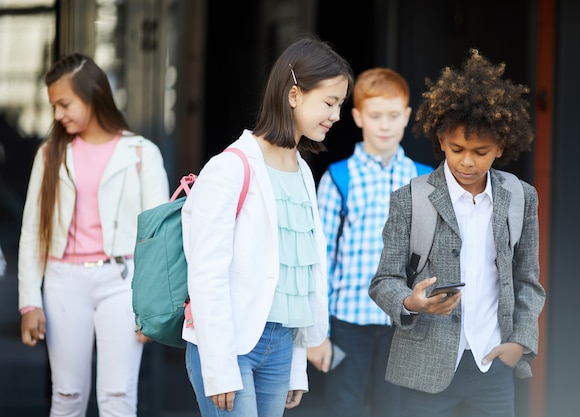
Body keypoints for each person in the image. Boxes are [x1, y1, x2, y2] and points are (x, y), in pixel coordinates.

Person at [180, 34, 354, 417]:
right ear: (294, 94)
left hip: (280, 346)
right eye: (329, 102)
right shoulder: (230, 167)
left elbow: (299, 278)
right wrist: (220, 366)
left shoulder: (304, 173)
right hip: (231, 347)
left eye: (340, 105)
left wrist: (296, 368)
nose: (336, 116)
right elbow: (207, 274)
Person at [368, 49, 546, 417]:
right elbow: (384, 280)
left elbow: (528, 281)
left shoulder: (520, 198)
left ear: (501, 146)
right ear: (440, 140)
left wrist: (520, 344)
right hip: (425, 368)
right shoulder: (410, 199)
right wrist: (411, 302)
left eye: (481, 152)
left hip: (493, 364)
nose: (467, 161)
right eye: (456, 149)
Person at [18, 53, 170, 417]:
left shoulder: (141, 153)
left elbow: (160, 236)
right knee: (67, 396)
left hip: (123, 281)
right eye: (54, 106)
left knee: (118, 397)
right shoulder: (50, 153)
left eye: (64, 104)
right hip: (62, 281)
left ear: (93, 95)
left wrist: (154, 307)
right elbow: (31, 231)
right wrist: (29, 302)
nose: (57, 115)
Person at [306, 67, 433, 417]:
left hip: (404, 323)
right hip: (348, 322)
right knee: (343, 406)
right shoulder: (338, 177)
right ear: (358, 116)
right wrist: (317, 332)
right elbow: (321, 258)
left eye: (394, 116)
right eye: (375, 116)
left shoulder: (424, 180)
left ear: (407, 116)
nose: (385, 125)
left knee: (398, 408)